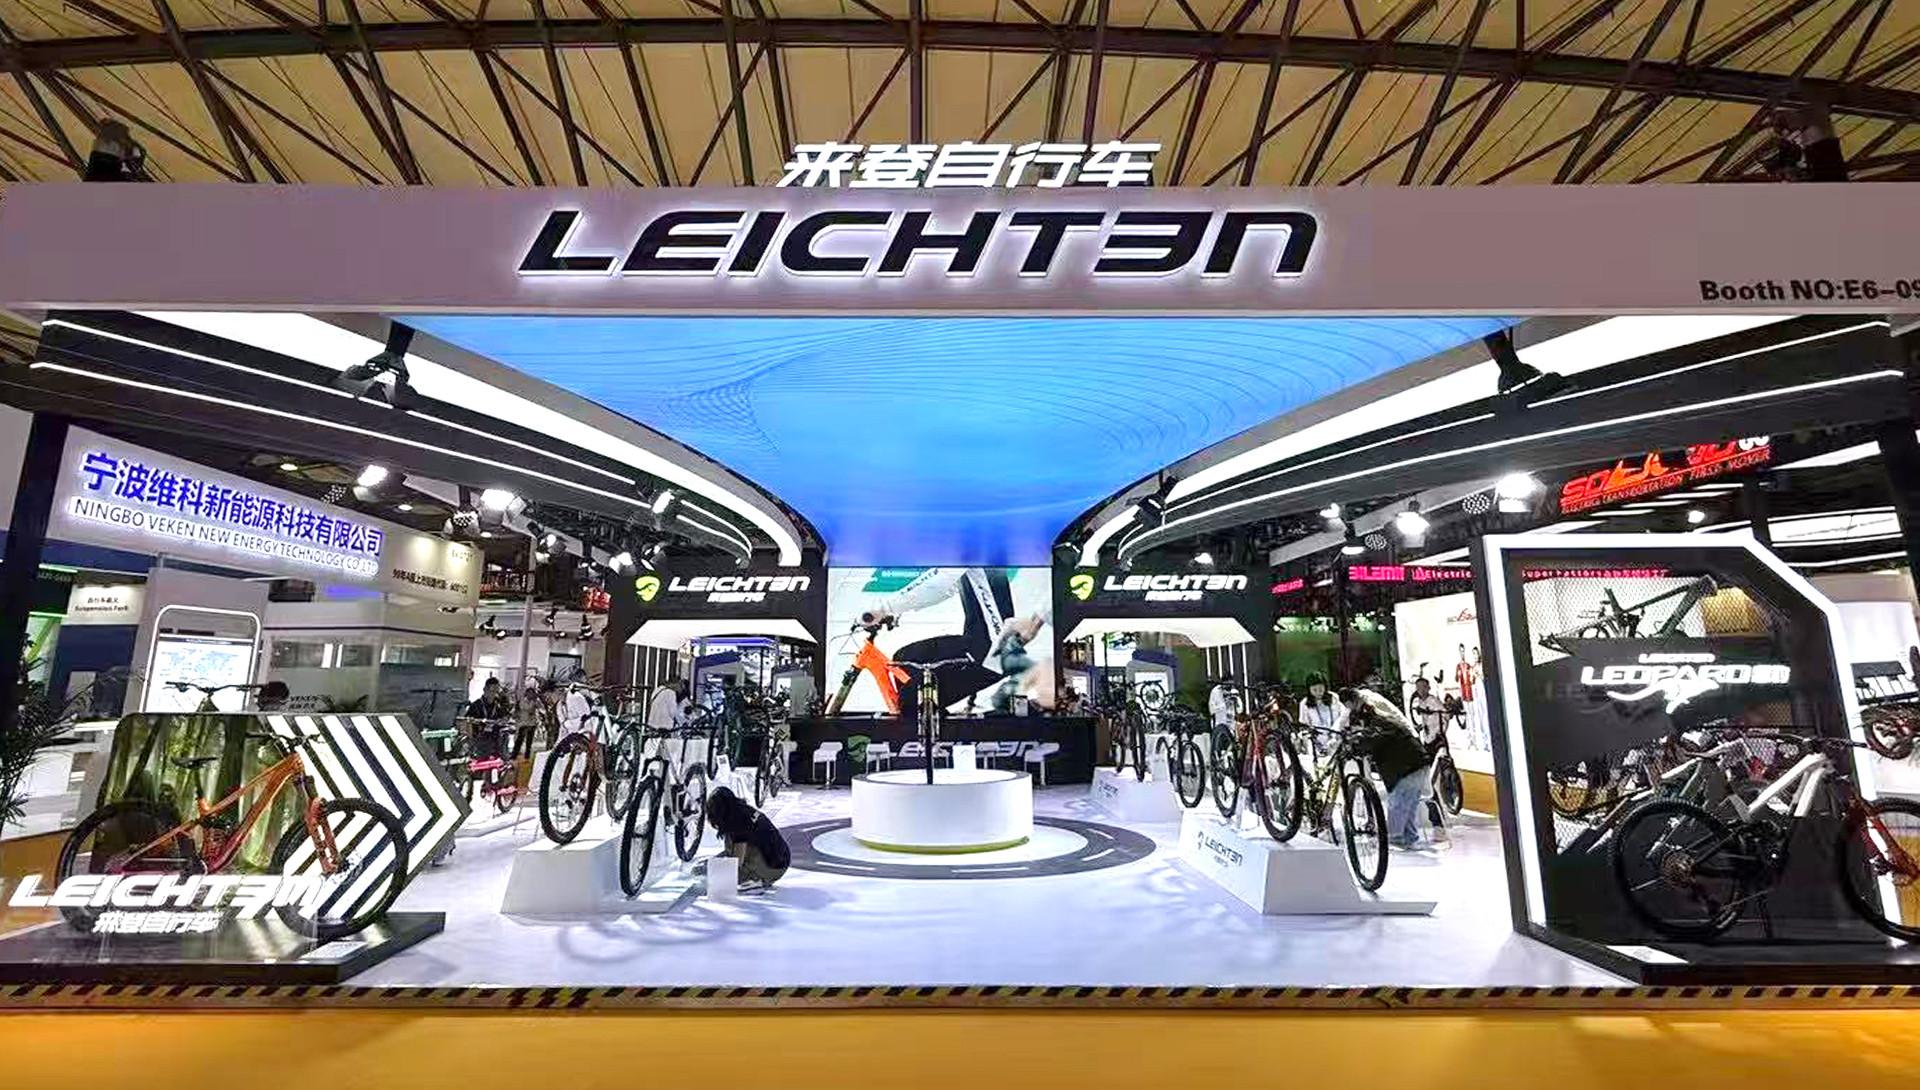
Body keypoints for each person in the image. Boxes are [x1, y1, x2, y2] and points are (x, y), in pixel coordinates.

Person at [1340, 686, 1433, 851]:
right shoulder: (1380, 715)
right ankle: (1408, 838)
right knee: (1407, 804)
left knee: (1398, 803)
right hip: (1416, 762)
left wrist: (1354, 744)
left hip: (1407, 765)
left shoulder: (1375, 719)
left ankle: (1395, 838)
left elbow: (1373, 739)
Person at [705, 785, 790, 892]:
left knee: (719, 876)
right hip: (780, 859)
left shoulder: (739, 823)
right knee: (713, 866)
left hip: (774, 866)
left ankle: (757, 878)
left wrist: (713, 873)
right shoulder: (741, 810)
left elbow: (736, 862)